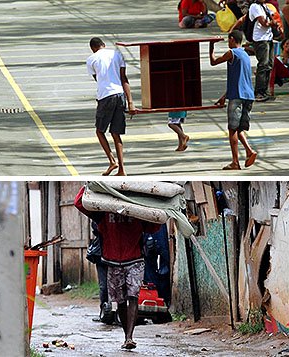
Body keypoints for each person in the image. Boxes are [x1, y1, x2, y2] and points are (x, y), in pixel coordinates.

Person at [76, 208, 160, 350]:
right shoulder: (103, 211)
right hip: (112, 261)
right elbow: (79, 203)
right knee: (120, 301)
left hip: (135, 259)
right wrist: (86, 186)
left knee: (133, 297)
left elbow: (155, 225)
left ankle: (129, 337)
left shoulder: (137, 210)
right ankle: (126, 335)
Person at [86, 37, 135, 176]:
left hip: (105, 96)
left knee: (100, 131)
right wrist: (130, 102)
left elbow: (98, 79)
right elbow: (124, 78)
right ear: (104, 45)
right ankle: (122, 170)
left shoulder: (91, 59)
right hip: (120, 95)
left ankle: (112, 161)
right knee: (116, 133)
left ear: (93, 48)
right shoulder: (117, 54)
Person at [211, 30, 259, 170]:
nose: (228, 42)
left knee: (232, 130)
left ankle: (235, 162)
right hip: (248, 96)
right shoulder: (245, 54)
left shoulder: (232, 53)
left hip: (237, 96)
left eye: (228, 40)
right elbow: (239, 80)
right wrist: (224, 97)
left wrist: (211, 46)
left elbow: (214, 62)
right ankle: (250, 151)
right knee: (239, 128)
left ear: (232, 39)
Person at [249, 0, 279, 102]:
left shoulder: (265, 6)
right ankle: (259, 92)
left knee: (269, 65)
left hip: (268, 38)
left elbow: (272, 17)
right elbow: (264, 23)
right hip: (260, 40)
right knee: (263, 64)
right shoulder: (255, 7)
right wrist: (272, 23)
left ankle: (264, 91)